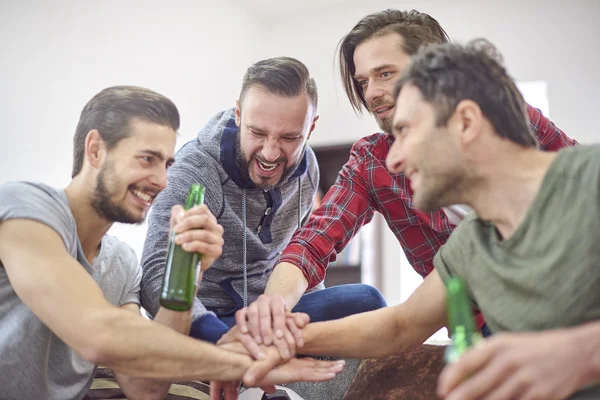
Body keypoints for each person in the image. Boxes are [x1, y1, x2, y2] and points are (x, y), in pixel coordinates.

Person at [243, 39, 600, 400]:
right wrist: (280, 341)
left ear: (465, 121)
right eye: (363, 81)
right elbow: (402, 325)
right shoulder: (471, 245)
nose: (393, 159)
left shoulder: (589, 179)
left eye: (407, 131)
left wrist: (581, 352)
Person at [0, 86, 345, 400]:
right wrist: (239, 362)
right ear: (95, 150)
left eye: (167, 164)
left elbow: (144, 385)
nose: (163, 181)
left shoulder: (120, 264)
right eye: (147, 159)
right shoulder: (26, 207)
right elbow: (100, 335)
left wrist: (187, 269)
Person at [140, 57, 386, 358]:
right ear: (239, 114)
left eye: (289, 137)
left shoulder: (308, 168)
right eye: (258, 133)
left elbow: (305, 259)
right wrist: (222, 341)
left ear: (310, 128)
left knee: (366, 302)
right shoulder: (194, 170)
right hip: (210, 320)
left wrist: (307, 327)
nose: (270, 153)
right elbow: (155, 276)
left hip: (270, 317)